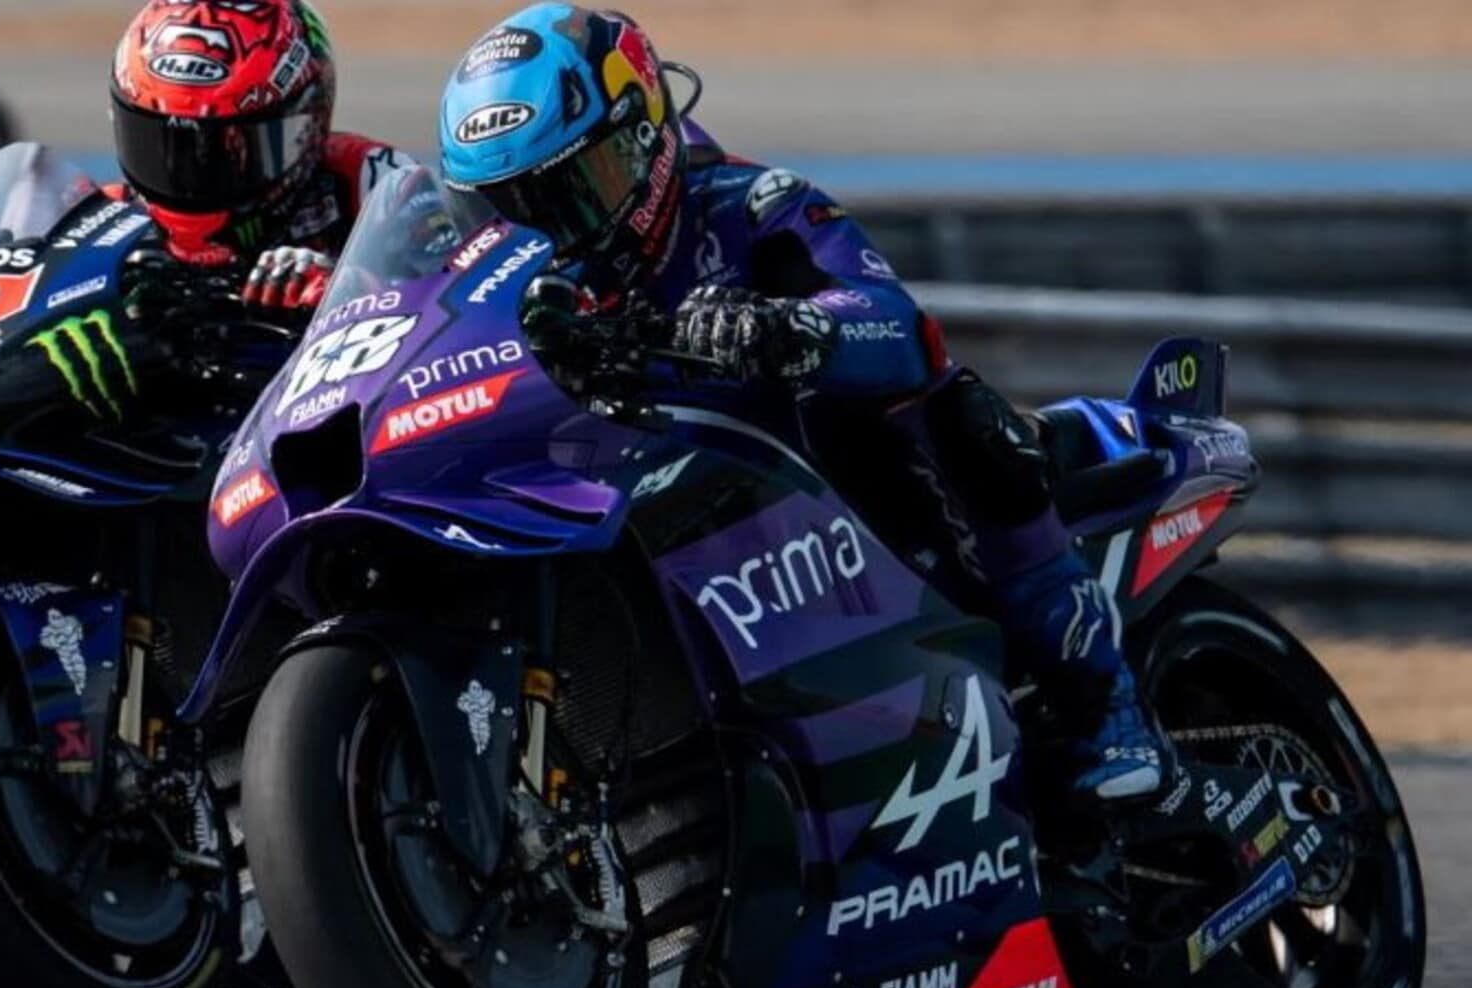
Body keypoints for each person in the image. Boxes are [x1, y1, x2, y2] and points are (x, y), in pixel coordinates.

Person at [438, 4, 1168, 801]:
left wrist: (788, 327)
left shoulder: (751, 206)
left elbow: (899, 326)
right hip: (666, 526)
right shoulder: (520, 292)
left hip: (836, 508)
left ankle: (1103, 701)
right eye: (508, 212)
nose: (546, 233)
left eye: (569, 193)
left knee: (963, 416)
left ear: (641, 138)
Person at [108, 0, 412, 316]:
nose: (188, 177)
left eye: (224, 154)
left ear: (308, 123)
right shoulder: (104, 220)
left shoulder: (373, 183)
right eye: (159, 146)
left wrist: (348, 290)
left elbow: (438, 303)